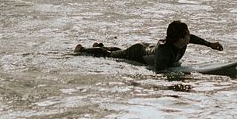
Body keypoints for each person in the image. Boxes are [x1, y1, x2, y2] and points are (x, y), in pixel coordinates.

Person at [75, 20, 223, 72]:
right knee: (110, 56)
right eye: (188, 35)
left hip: (146, 47)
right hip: (138, 53)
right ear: (180, 39)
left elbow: (194, 38)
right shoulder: (164, 53)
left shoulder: (182, 40)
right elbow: (159, 71)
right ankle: (82, 50)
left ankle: (100, 46)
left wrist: (210, 44)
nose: (190, 37)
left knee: (120, 52)